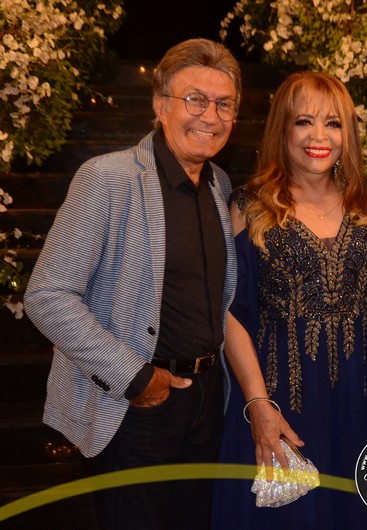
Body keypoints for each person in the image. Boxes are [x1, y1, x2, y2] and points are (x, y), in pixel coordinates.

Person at [23, 38, 240, 530]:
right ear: (161, 105)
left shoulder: (219, 185)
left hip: (208, 403)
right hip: (137, 405)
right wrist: (136, 379)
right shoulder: (108, 178)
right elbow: (47, 296)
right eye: (195, 100)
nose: (210, 116)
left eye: (224, 104)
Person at [211, 71, 367, 529]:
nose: (319, 136)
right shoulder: (251, 206)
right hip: (280, 397)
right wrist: (258, 404)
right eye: (304, 121)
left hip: (363, 398)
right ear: (283, 129)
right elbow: (230, 313)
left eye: (333, 123)